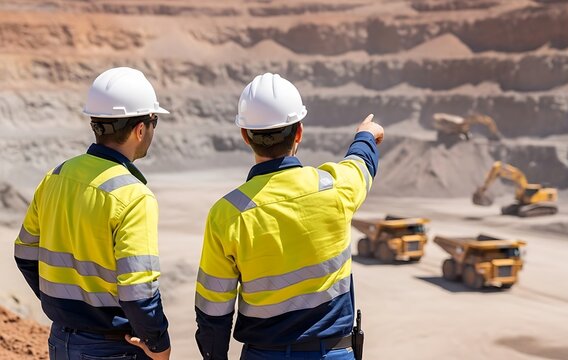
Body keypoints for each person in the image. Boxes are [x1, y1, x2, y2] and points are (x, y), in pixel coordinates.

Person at [195, 72, 384, 360]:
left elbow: (213, 311)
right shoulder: (335, 189)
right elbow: (361, 163)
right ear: (299, 132)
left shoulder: (227, 214)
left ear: (245, 135)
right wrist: (366, 135)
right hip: (333, 353)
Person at [13, 67, 171, 360]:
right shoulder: (134, 196)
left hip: (61, 339)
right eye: (154, 121)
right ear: (140, 129)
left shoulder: (56, 176)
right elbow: (139, 289)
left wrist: (66, 308)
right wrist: (158, 343)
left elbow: (24, 253)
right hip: (114, 348)